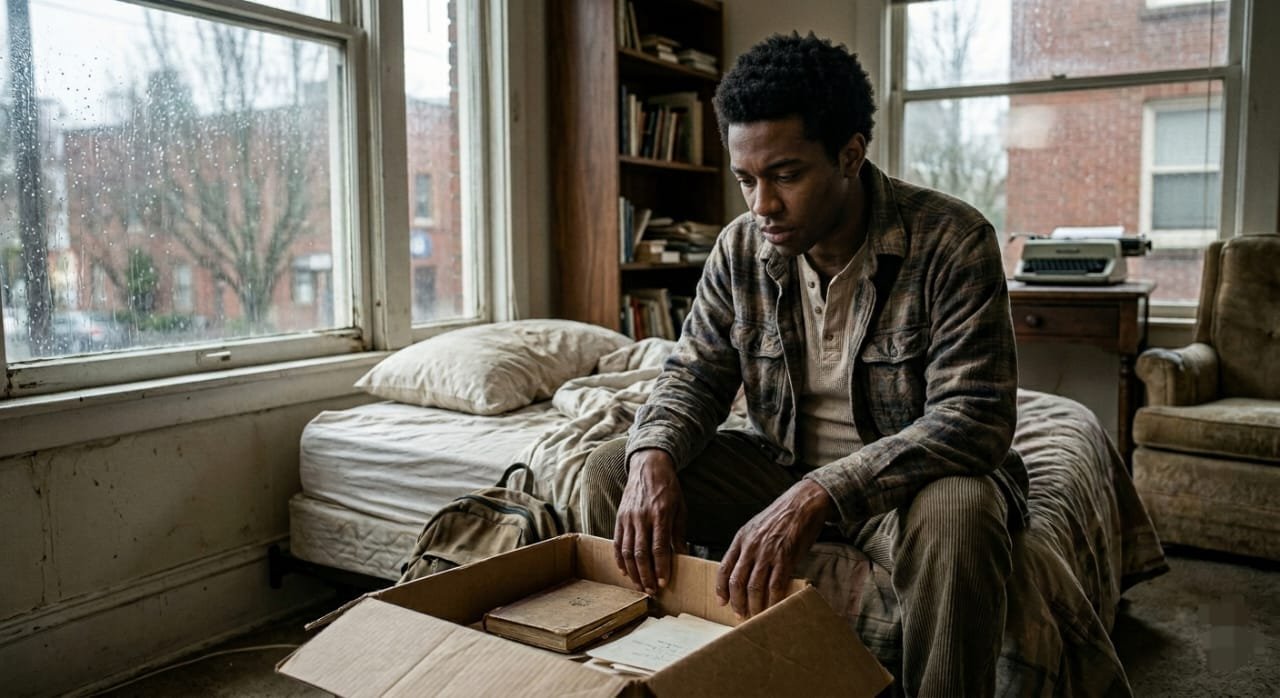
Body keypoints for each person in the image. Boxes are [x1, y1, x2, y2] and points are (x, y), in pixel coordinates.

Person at [579, 32, 1027, 696]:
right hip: (778, 464)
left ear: (850, 156)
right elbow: (696, 373)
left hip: (903, 492)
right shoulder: (740, 248)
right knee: (612, 468)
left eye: (785, 175)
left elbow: (975, 420)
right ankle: (639, 675)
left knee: (961, 511)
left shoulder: (953, 240)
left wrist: (820, 494)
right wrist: (651, 454)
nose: (761, 205)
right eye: (745, 180)